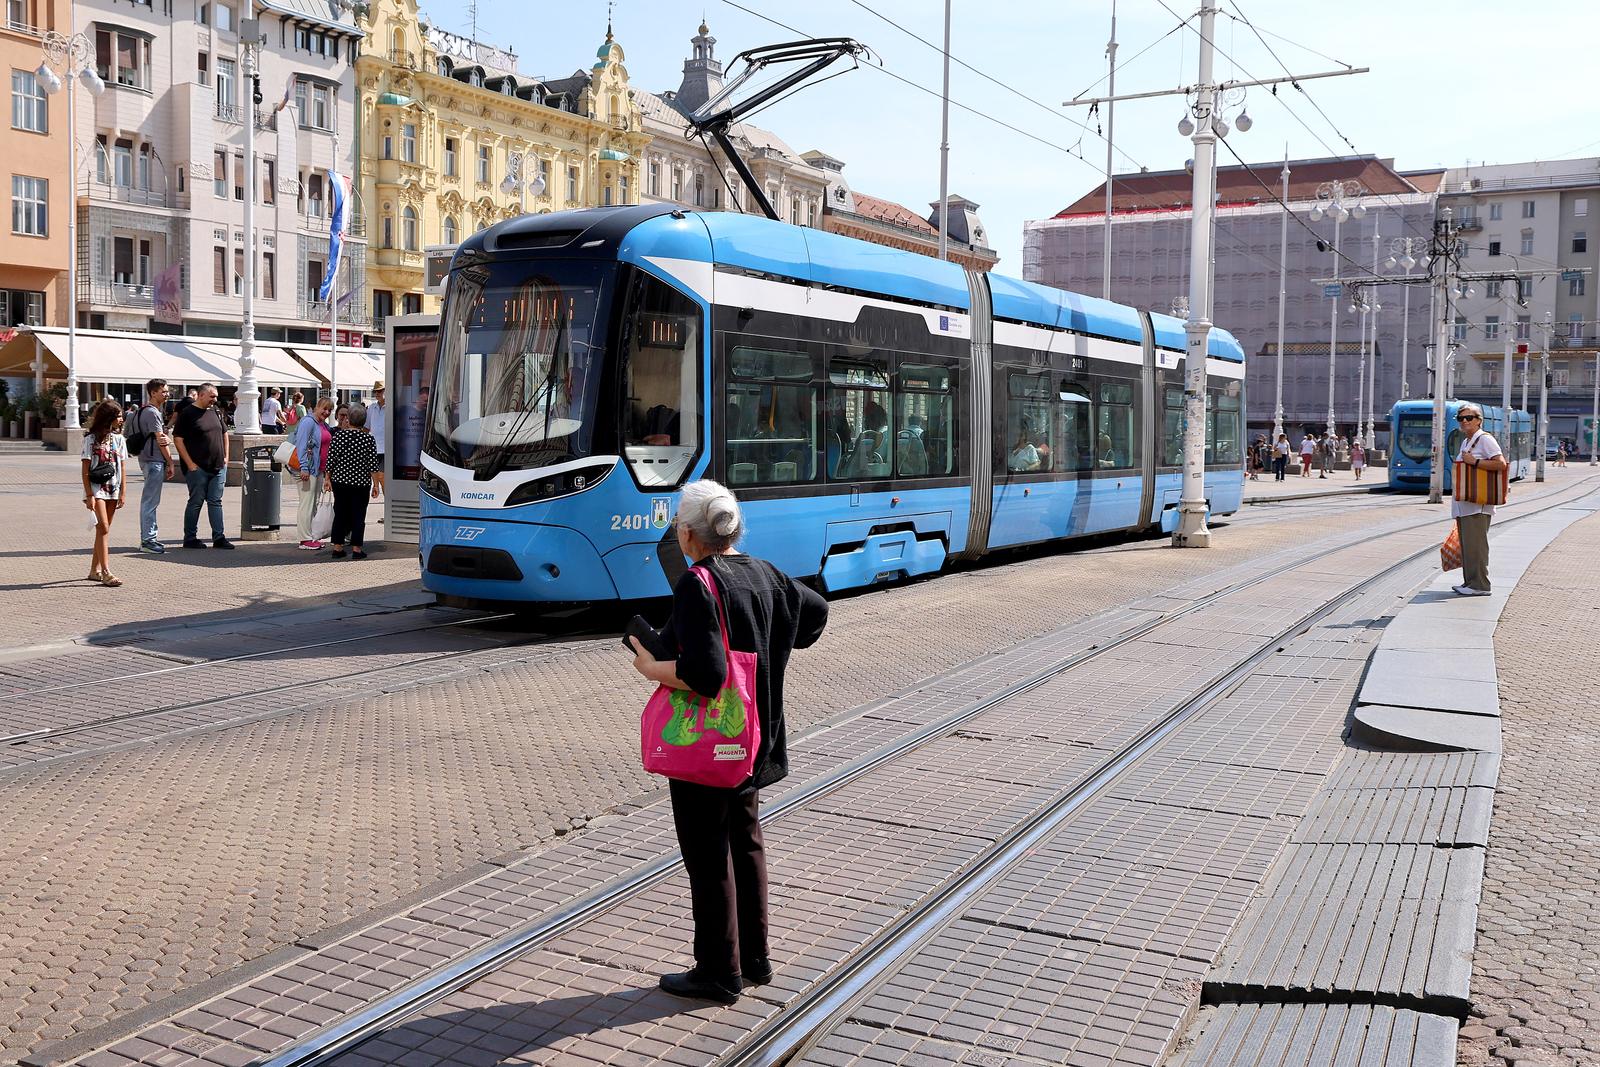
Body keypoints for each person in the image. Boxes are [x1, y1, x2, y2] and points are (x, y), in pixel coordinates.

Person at [627, 480, 828, 1004]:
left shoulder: (697, 584)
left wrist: (651, 667)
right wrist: (771, 644)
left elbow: (706, 675)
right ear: (733, 529)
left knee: (708, 852)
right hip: (756, 736)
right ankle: (755, 958)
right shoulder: (766, 573)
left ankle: (718, 971)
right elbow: (815, 614)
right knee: (746, 840)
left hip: (711, 745)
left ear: (687, 535)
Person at [1452, 404, 1505, 597]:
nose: (1465, 421)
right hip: (1465, 504)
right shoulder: (1467, 441)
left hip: (1478, 504)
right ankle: (1470, 582)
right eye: (1461, 418)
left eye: (1469, 418)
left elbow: (1500, 463)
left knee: (1477, 546)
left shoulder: (1485, 439)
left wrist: (1474, 462)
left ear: (1479, 420)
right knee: (1468, 546)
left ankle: (1480, 585)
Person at [173, 382, 234, 549]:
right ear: (201, 395)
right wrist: (190, 464)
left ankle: (219, 538)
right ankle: (190, 538)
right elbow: (178, 439)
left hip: (218, 466)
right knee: (196, 501)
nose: (215, 399)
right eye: (212, 396)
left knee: (215, 501)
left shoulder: (215, 411)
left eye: (216, 396)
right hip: (197, 468)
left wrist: (226, 457)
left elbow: (224, 433)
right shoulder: (187, 413)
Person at [80, 398, 128, 587]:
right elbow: (85, 469)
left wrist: (123, 492)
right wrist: (89, 495)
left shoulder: (119, 439)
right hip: (96, 489)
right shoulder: (90, 440)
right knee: (104, 527)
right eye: (119, 416)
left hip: (113, 488)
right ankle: (106, 572)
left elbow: (122, 467)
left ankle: (94, 571)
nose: (121, 419)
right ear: (109, 418)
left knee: (102, 530)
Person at [325, 402, 379, 560]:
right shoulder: (368, 439)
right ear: (364, 421)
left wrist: (327, 478)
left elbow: (331, 460)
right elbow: (373, 465)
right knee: (358, 515)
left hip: (340, 482)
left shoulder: (339, 436)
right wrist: (376, 485)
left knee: (340, 513)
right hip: (361, 483)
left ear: (348, 419)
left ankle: (337, 548)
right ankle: (356, 549)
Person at [132, 378, 176, 553]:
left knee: (149, 501)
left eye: (167, 391)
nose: (167, 395)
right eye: (163, 391)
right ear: (153, 393)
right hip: (154, 460)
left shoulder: (140, 411)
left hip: (144, 458)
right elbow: (161, 440)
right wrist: (170, 462)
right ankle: (148, 541)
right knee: (150, 502)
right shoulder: (153, 413)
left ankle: (149, 538)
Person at [293, 396, 335, 549]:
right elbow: (301, 445)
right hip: (308, 469)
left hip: (317, 470)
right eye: (324, 408)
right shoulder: (308, 422)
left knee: (312, 504)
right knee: (307, 504)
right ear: (317, 407)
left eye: (329, 410)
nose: (326, 412)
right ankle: (305, 539)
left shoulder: (321, 423)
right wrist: (304, 467)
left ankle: (311, 537)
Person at [368, 380, 387, 497]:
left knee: (382, 476)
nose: (377, 393)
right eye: (375, 391)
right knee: (378, 476)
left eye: (380, 391)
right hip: (374, 448)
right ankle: (387, 500)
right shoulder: (371, 408)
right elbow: (366, 428)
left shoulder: (391, 407)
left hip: (386, 449)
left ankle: (387, 501)